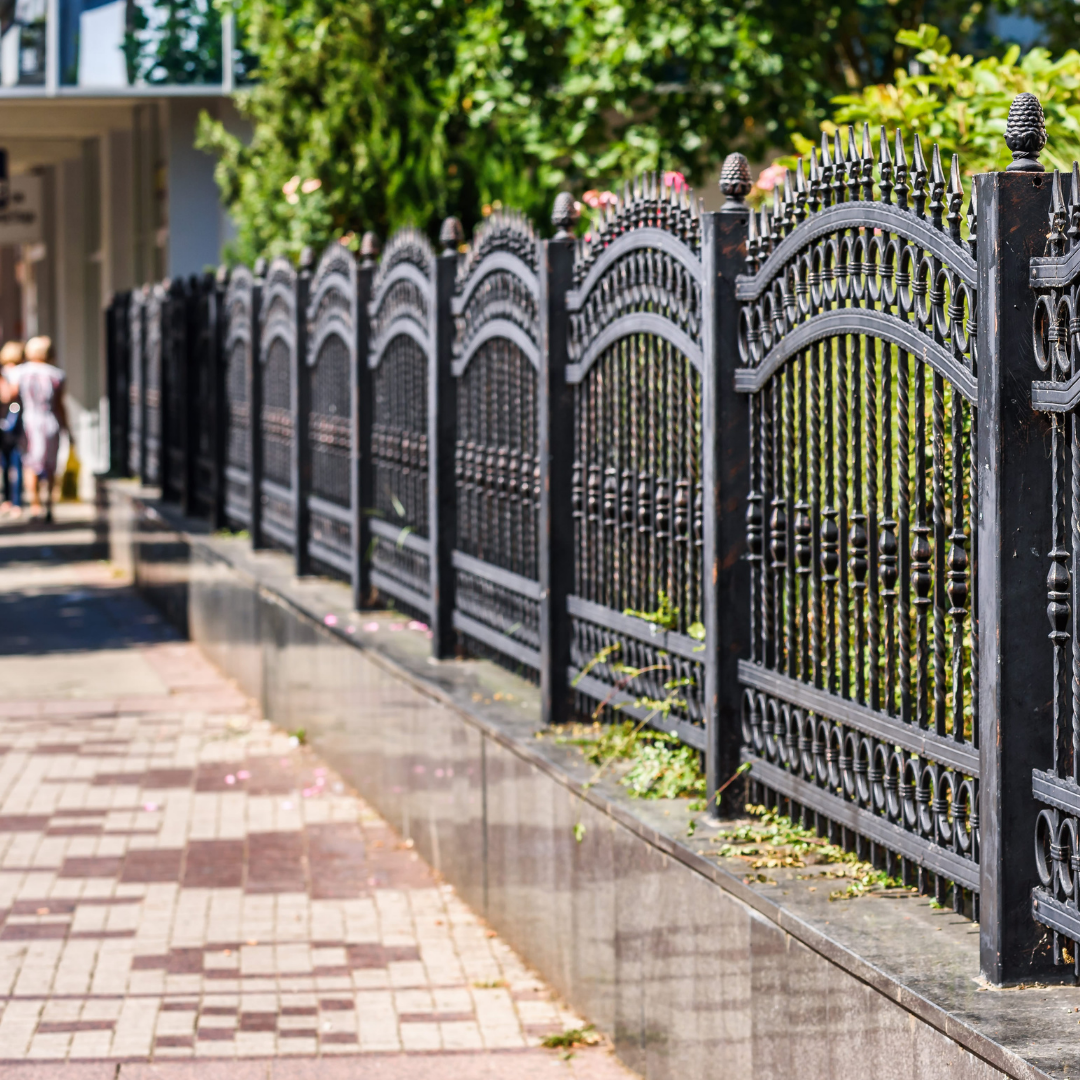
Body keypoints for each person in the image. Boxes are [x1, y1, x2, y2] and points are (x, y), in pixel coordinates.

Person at [6, 336, 68, 522]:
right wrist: (66, 428)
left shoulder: (18, 372)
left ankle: (35, 506)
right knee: (50, 465)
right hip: (49, 421)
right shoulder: (56, 374)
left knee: (29, 465)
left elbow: (11, 396)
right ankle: (49, 505)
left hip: (29, 422)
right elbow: (59, 405)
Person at [0, 341, 24, 517]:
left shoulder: (6, 373)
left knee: (7, 463)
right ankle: (16, 502)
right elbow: (9, 395)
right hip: (15, 423)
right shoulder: (19, 372)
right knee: (16, 462)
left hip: (6, 422)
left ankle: (9, 500)